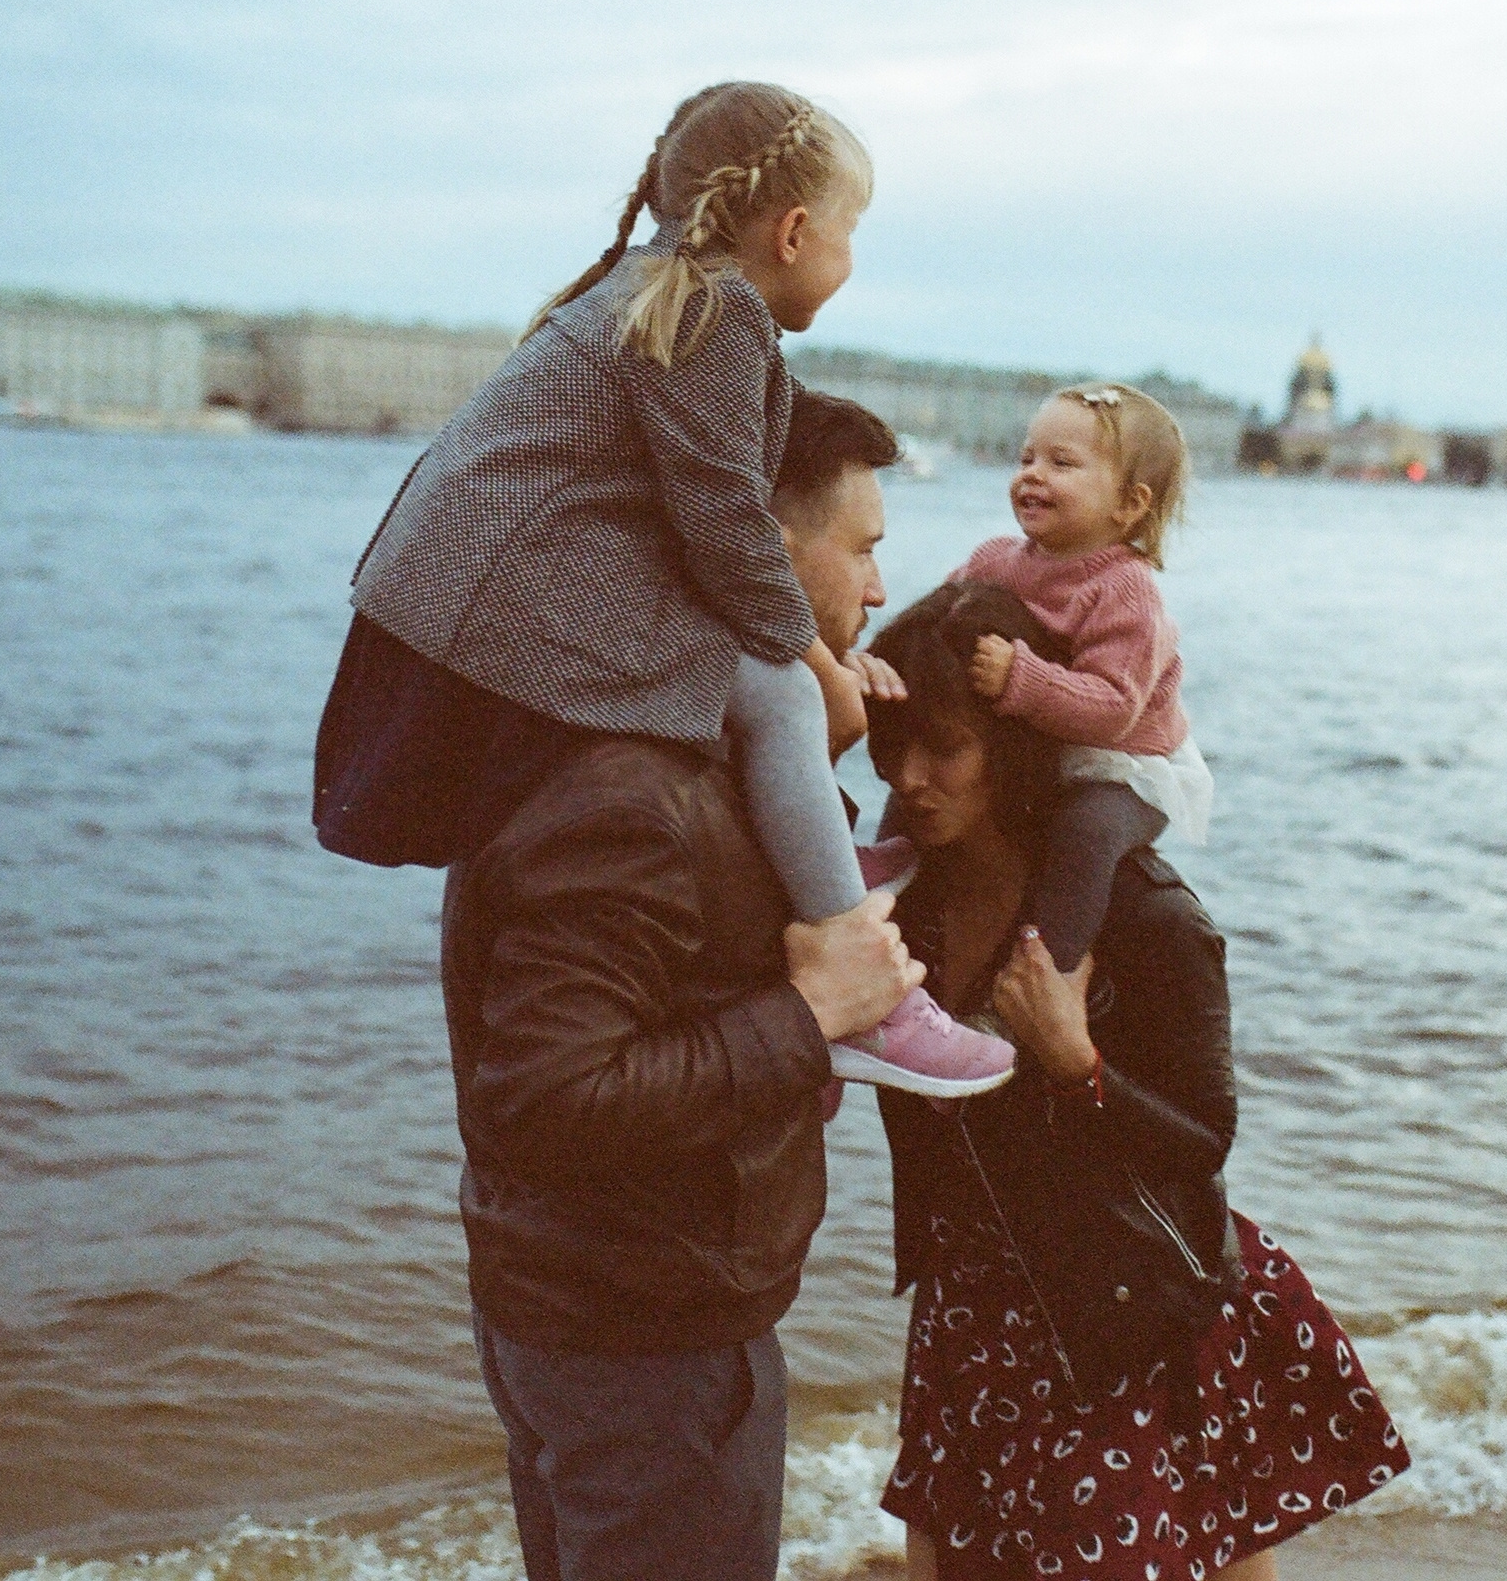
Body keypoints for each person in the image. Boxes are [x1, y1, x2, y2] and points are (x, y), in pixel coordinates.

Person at [316, 79, 1011, 1097]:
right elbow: (729, 528)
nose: (849, 259)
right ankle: (854, 964)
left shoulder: (654, 288)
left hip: (480, 590)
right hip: (511, 597)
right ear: (795, 228)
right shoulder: (714, 312)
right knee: (776, 688)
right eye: (850, 233)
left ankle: (806, 848)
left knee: (754, 676)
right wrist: (816, 659)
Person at [440, 399, 916, 1581]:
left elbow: (695, 943)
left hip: (600, 1309)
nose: (877, 589)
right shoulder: (627, 787)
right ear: (753, 543)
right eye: (859, 548)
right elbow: (545, 1099)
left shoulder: (645, 736)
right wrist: (812, 1019)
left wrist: (814, 758)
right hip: (645, 1342)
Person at [862, 582, 1410, 1581]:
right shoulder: (908, 901)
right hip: (971, 1305)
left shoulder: (1143, 913)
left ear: (1012, 742)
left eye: (942, 746)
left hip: (1117, 1300)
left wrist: (1078, 1065)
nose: (909, 775)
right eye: (891, 744)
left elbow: (1203, 1137)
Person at [944, 382, 1210, 977]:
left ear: (1129, 504)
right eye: (1027, 458)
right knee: (937, 771)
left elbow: (1114, 707)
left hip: (1126, 767)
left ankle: (1043, 972)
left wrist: (1023, 678)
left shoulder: (1126, 590)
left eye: (1061, 463)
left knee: (1086, 828)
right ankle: (896, 867)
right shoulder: (996, 560)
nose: (1033, 474)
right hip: (1042, 747)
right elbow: (935, 623)